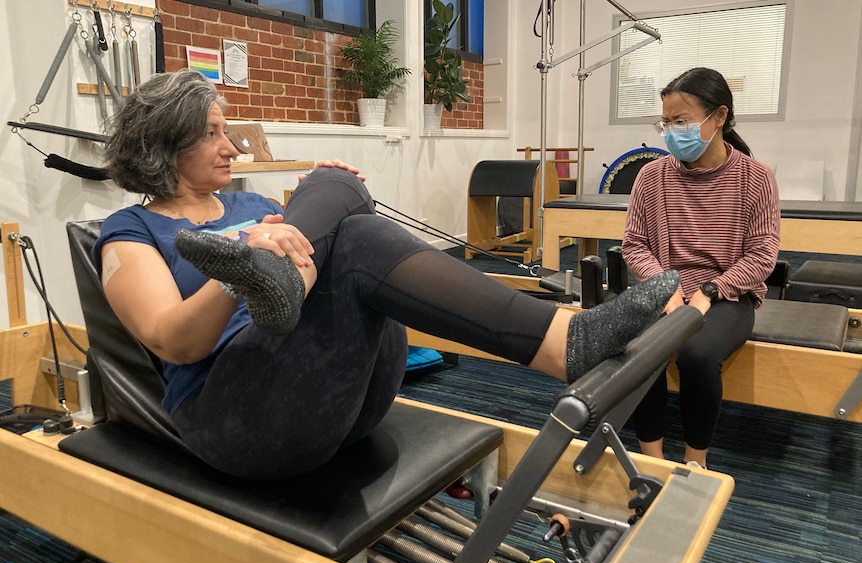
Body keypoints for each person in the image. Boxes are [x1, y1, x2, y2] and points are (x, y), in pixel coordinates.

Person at [97, 69, 679, 480]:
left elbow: (328, 231)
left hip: (338, 399)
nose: (231, 147)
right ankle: (563, 342)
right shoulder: (131, 232)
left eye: (228, 131)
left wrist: (316, 201)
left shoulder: (252, 209)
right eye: (211, 133)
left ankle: (280, 279)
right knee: (353, 235)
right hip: (238, 420)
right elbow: (172, 340)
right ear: (163, 145)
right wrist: (234, 282)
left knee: (338, 188)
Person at [623, 67, 781, 469]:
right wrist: (666, 288)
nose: (673, 132)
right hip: (666, 290)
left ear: (719, 117)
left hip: (729, 295)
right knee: (640, 346)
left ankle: (696, 463)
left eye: (683, 121)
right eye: (667, 123)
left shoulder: (755, 178)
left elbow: (762, 255)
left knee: (695, 354)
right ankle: (653, 463)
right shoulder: (650, 177)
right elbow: (635, 245)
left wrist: (709, 292)